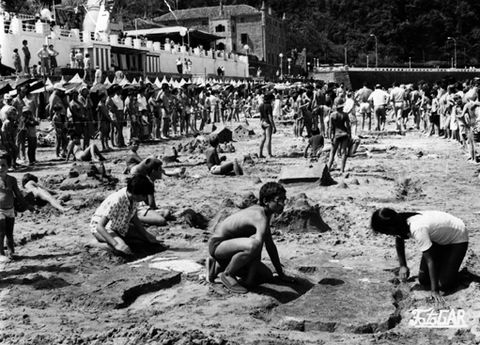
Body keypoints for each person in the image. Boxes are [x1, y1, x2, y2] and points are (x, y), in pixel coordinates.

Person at [207, 182, 294, 293]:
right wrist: (249, 280)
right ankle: (228, 274)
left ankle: (219, 265)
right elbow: (257, 248)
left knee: (266, 275)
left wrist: (281, 274)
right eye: (279, 200)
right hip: (218, 245)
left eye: (284, 200)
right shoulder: (260, 217)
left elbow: (270, 246)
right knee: (254, 245)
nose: (282, 204)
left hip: (230, 249)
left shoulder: (266, 214)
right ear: (266, 201)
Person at [371, 208, 468, 303]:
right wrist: (403, 266)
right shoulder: (398, 221)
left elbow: (430, 260)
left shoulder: (417, 228)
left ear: (391, 227)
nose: (387, 235)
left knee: (444, 285)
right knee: (423, 279)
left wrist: (434, 291)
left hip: (457, 237)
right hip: (438, 238)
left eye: (386, 232)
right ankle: (445, 263)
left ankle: (457, 272)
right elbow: (399, 239)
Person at [90, 175, 165, 256]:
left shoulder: (134, 198)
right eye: (144, 195)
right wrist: (115, 244)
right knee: (122, 248)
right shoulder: (117, 200)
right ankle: (95, 244)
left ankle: (119, 239)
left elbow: (134, 217)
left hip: (119, 226)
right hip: (104, 229)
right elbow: (100, 227)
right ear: (136, 193)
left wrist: (146, 234)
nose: (144, 198)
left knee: (146, 240)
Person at [0, 153, 34, 261]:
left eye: (3, 165)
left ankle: (11, 253)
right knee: (1, 233)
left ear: (8, 166)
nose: (0, 168)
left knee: (9, 233)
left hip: (10, 209)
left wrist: (27, 205)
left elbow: (18, 195)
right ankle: (0, 253)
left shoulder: (12, 180)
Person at [327, 98, 351, 173]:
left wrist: (330, 136)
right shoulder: (345, 115)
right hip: (344, 134)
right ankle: (342, 169)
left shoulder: (332, 115)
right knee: (344, 152)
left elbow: (330, 127)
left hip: (336, 135)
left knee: (332, 153)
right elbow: (348, 126)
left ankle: (328, 168)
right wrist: (350, 134)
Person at [259, 93, 275, 158]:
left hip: (263, 122)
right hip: (268, 122)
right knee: (268, 139)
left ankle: (260, 154)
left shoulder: (261, 105)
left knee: (263, 139)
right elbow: (270, 117)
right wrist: (274, 126)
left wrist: (261, 122)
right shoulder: (269, 106)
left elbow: (261, 116)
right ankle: (269, 154)